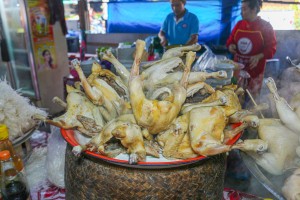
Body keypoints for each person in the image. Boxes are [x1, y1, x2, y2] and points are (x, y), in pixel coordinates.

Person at [226, 0, 276, 99]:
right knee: (235, 97)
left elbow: (272, 49)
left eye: (244, 9)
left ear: (254, 9)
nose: (241, 12)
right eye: (241, 9)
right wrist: (230, 46)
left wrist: (259, 56)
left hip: (255, 73)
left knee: (251, 101)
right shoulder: (239, 24)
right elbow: (230, 41)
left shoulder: (265, 26)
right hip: (237, 71)